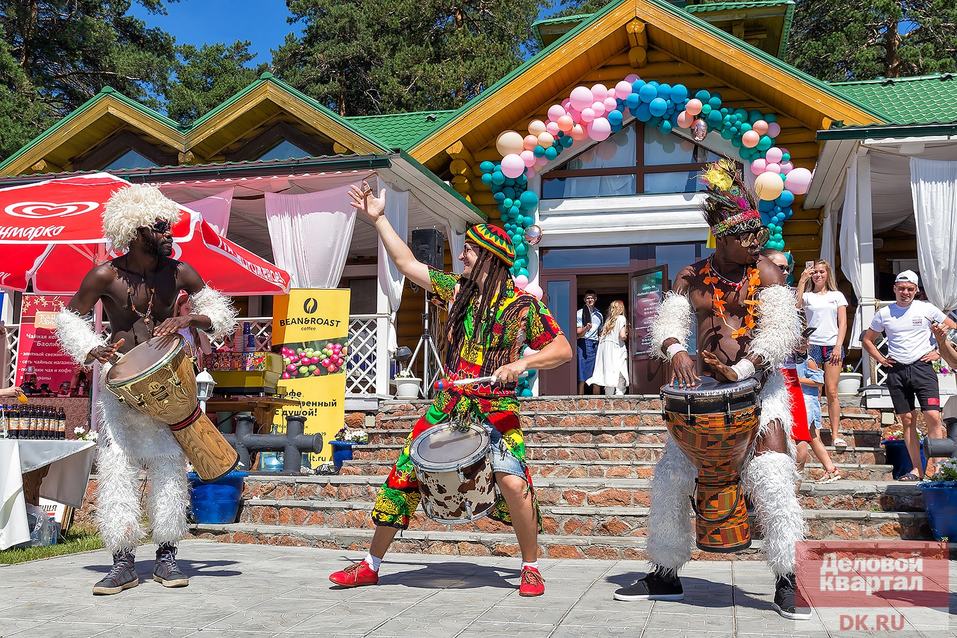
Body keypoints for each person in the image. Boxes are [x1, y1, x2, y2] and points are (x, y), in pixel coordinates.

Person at [328, 182, 572, 596]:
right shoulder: (456, 292)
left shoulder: (524, 307)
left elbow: (562, 348)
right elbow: (406, 263)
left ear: (490, 260)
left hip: (496, 408)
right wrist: (379, 218)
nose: (461, 256)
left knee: (513, 482)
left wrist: (521, 363)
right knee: (402, 476)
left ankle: (530, 566)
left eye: (470, 251)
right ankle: (371, 564)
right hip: (448, 403)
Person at [615, 159, 808, 620]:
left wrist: (744, 367)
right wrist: (676, 349)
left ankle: (787, 579)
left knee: (774, 478)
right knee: (670, 480)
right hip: (699, 400)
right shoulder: (691, 276)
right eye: (747, 238)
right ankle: (665, 573)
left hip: (760, 394)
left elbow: (781, 333)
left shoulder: (768, 273)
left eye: (758, 237)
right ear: (722, 237)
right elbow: (666, 322)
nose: (756, 245)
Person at [54, 184, 237, 595]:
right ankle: (122, 562)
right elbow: (68, 318)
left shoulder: (181, 272)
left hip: (172, 383)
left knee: (170, 466)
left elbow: (221, 315)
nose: (169, 231)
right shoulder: (105, 274)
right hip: (122, 388)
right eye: (160, 226)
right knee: (117, 467)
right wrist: (91, 347)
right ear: (136, 230)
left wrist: (190, 321)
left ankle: (167, 556)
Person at [863, 271, 956, 480]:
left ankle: (939, 467)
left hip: (923, 367)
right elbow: (868, 339)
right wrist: (881, 359)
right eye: (902, 288)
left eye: (910, 289)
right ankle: (917, 469)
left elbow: (953, 329)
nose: (906, 293)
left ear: (916, 291)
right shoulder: (884, 313)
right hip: (897, 370)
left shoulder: (926, 308)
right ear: (895, 289)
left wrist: (940, 350)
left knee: (933, 416)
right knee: (907, 420)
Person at [797, 260, 849, 450]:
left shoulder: (837, 296)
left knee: (832, 391)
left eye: (821, 272)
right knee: (814, 392)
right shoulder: (808, 296)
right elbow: (796, 306)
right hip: (812, 345)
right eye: (815, 272)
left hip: (831, 344)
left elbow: (842, 323)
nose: (818, 275)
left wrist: (838, 345)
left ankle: (835, 435)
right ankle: (814, 434)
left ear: (828, 274)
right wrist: (802, 280)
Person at [764, 251, 812, 451]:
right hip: (765, 377)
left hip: (789, 373)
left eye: (786, 268)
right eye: (779, 267)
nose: (784, 272)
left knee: (801, 450)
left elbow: (799, 353)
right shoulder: (751, 296)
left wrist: (801, 348)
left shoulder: (791, 298)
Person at [795, 350, 842, 482]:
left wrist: (796, 379)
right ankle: (831, 469)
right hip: (800, 401)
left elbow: (819, 381)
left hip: (808, 403)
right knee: (813, 437)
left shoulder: (808, 361)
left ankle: (797, 473)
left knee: (808, 437)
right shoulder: (793, 361)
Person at [586, 300, 629, 395]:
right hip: (616, 348)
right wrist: (627, 334)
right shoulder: (621, 318)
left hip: (606, 350)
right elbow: (622, 336)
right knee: (620, 370)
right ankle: (619, 394)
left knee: (609, 371)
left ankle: (609, 394)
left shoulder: (608, 321)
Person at [576, 290, 603, 394]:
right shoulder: (579, 313)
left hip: (596, 345)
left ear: (595, 299)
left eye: (592, 298)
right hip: (583, 343)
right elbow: (578, 334)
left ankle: (597, 400)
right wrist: (586, 329)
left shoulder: (599, 315)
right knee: (582, 372)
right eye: (587, 298)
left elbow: (600, 332)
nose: (590, 300)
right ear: (584, 300)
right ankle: (580, 399)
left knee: (596, 371)